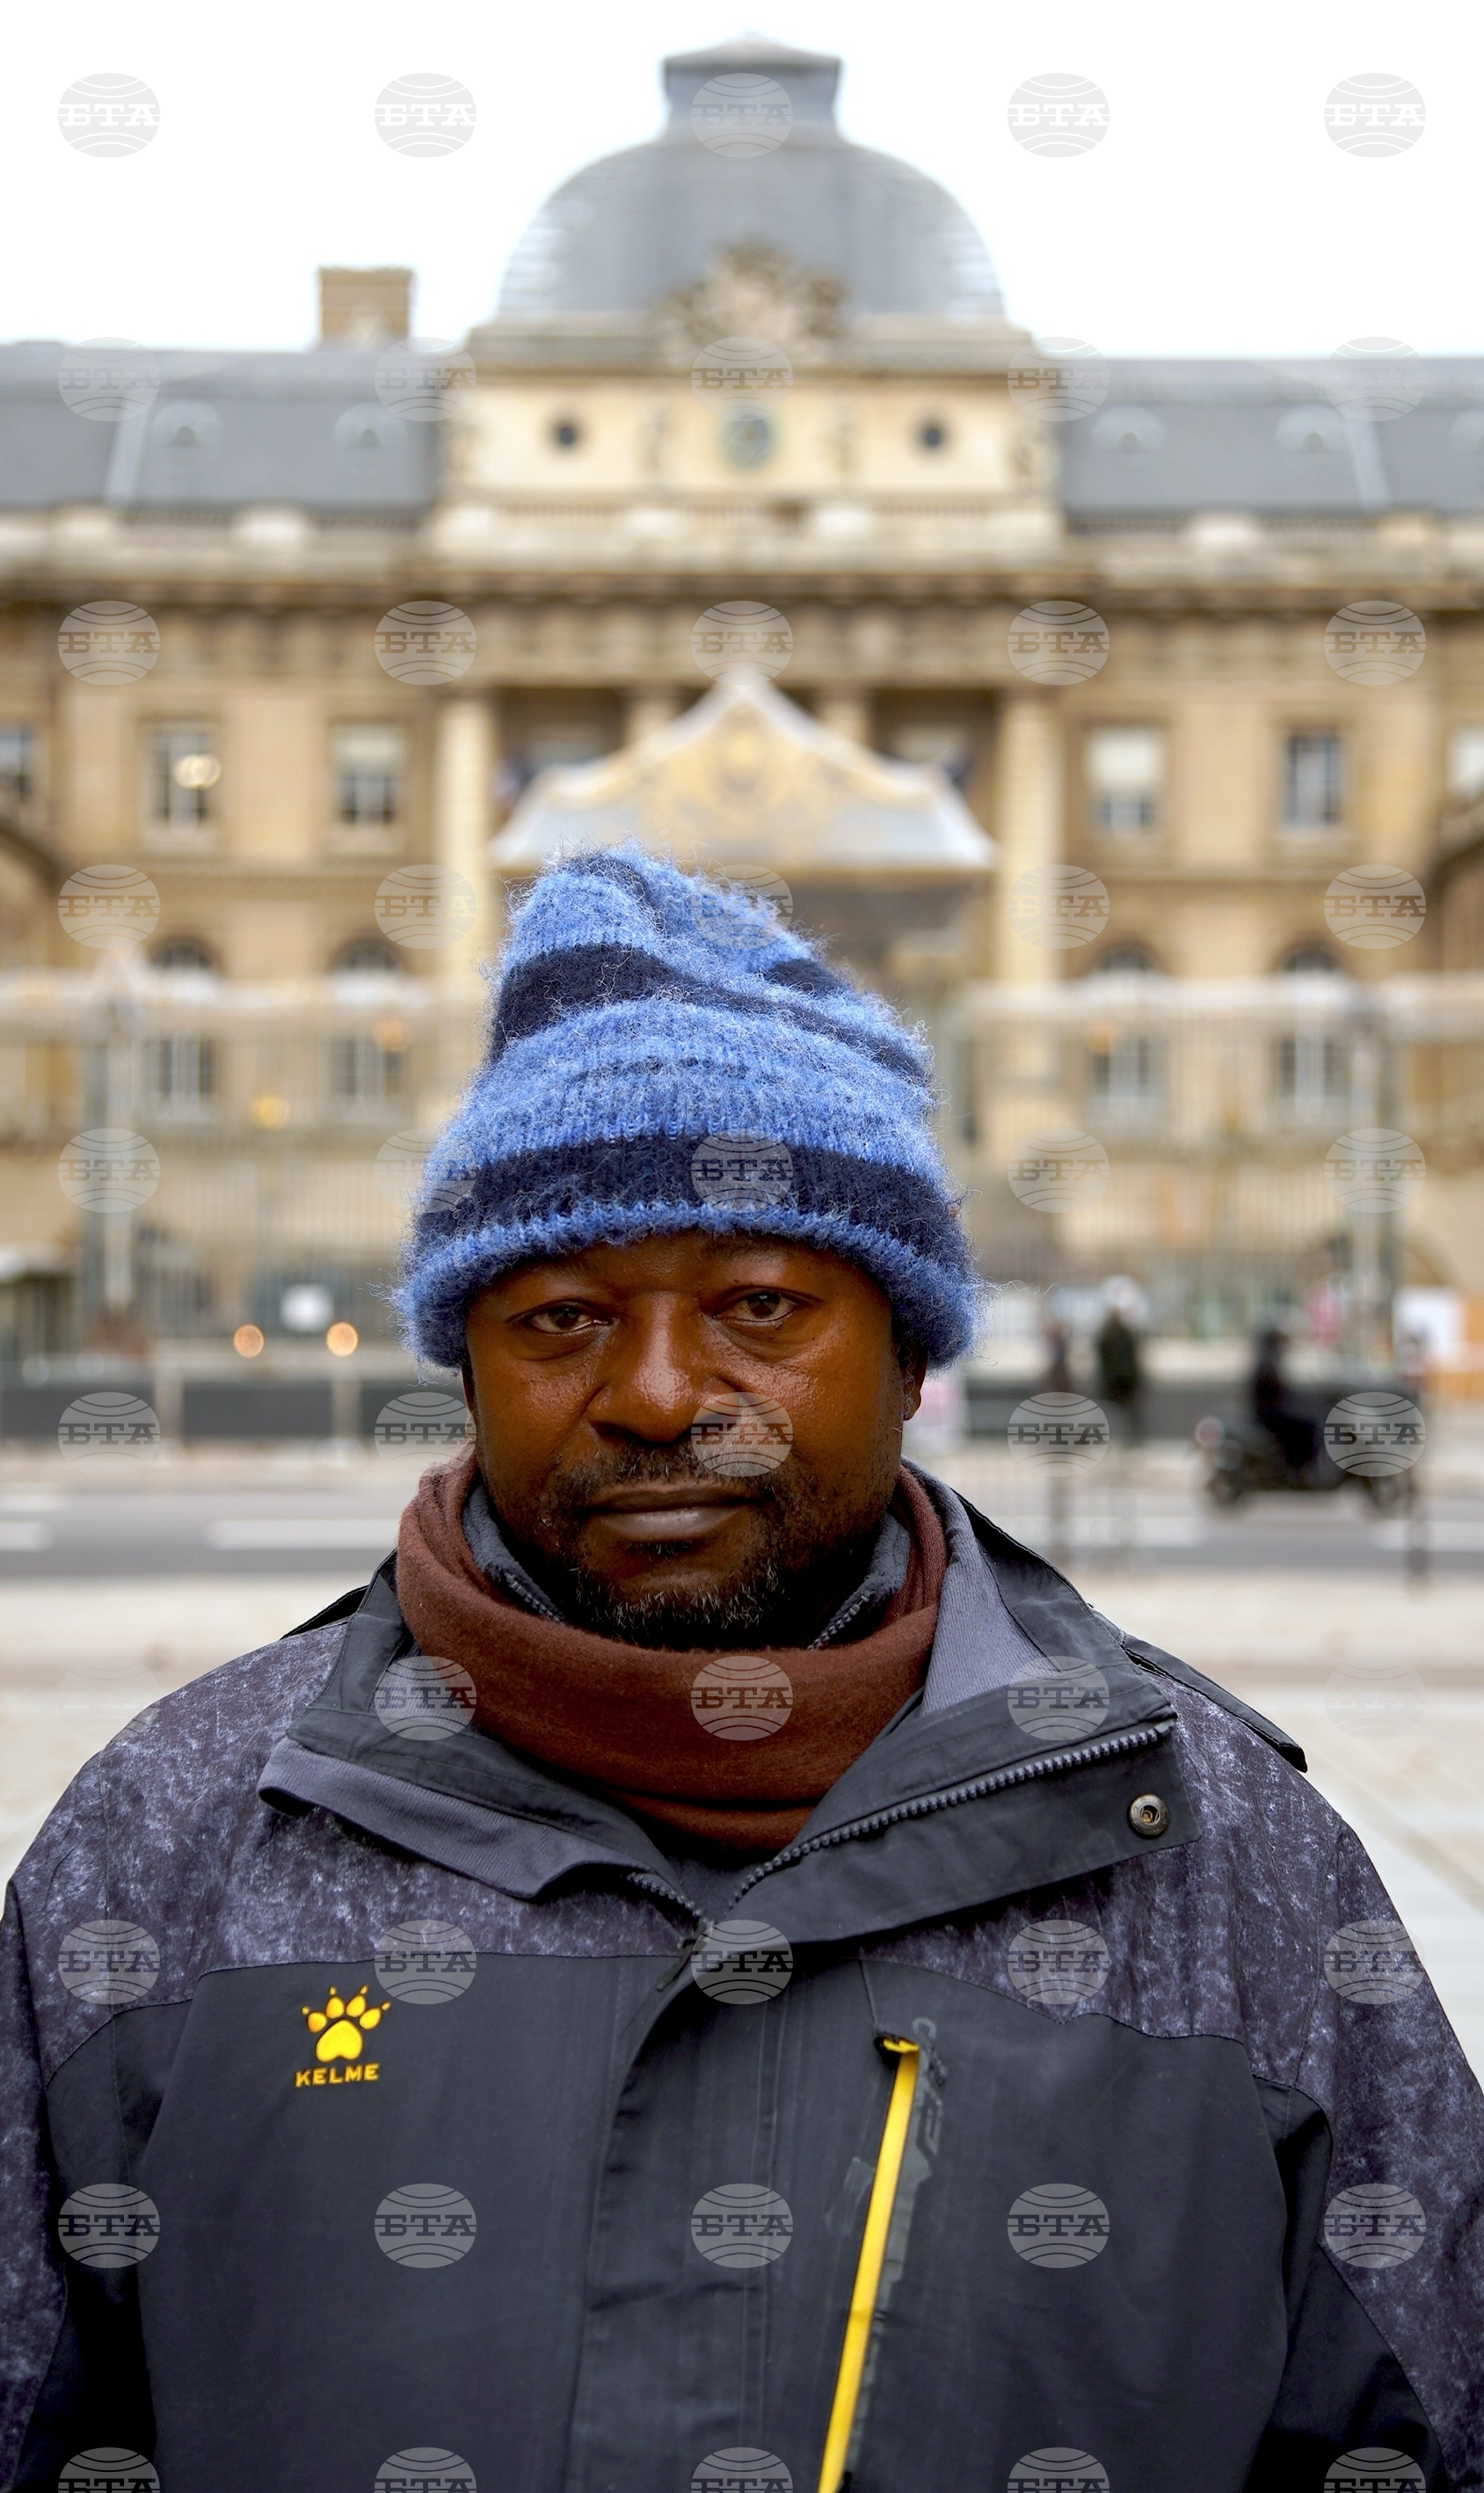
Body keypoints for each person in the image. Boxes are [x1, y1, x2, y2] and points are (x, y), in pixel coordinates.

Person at [2, 848, 1480, 2493]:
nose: (656, 1394)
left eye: (761, 1304)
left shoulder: (1228, 1866)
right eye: (561, 1315)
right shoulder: (170, 1844)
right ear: (466, 1365)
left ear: (910, 1356)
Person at [1251, 1322, 1319, 1472]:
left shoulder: (1268, 1363)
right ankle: (1300, 1468)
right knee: (1308, 1427)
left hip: (1272, 1414)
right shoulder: (1267, 1366)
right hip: (1270, 1417)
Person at [1095, 1291, 1143, 1442]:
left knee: (1114, 1412)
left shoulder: (1107, 1334)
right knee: (1123, 1412)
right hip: (1122, 1380)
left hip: (1115, 1380)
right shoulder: (1122, 1333)